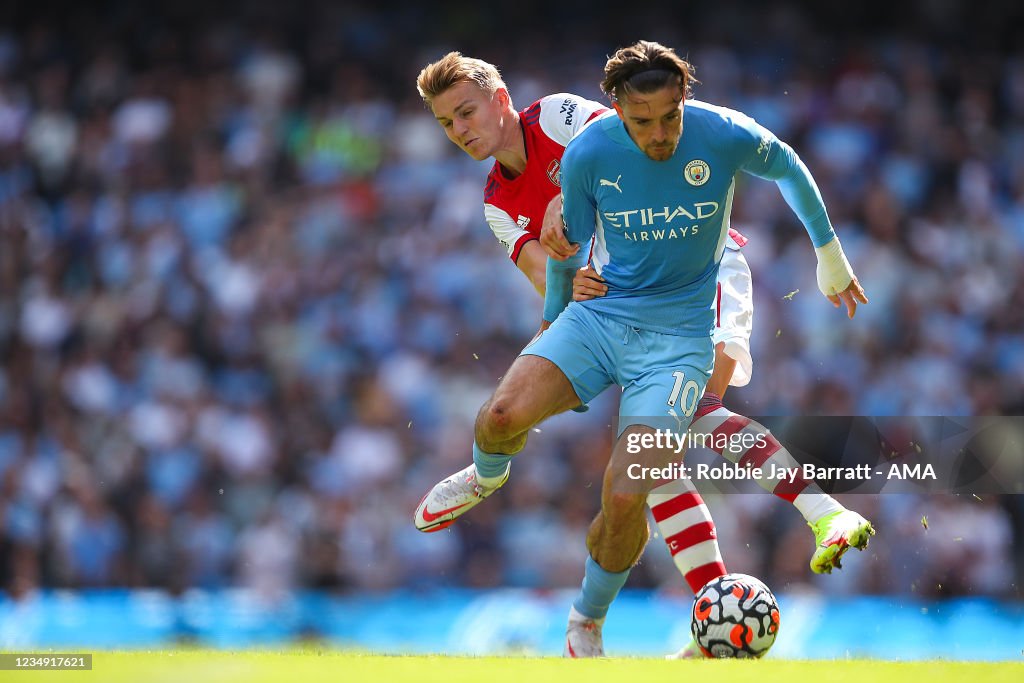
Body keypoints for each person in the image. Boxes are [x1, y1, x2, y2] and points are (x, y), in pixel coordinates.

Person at [413, 44, 872, 657]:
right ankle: (713, 619)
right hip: (620, 306)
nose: (460, 131)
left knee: (682, 424)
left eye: (466, 112)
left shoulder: (556, 119)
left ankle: (819, 514)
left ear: (501, 101)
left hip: (704, 276)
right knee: (651, 464)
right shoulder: (497, 200)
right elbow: (544, 269)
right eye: (448, 123)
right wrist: (563, 280)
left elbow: (629, 133)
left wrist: (567, 199)